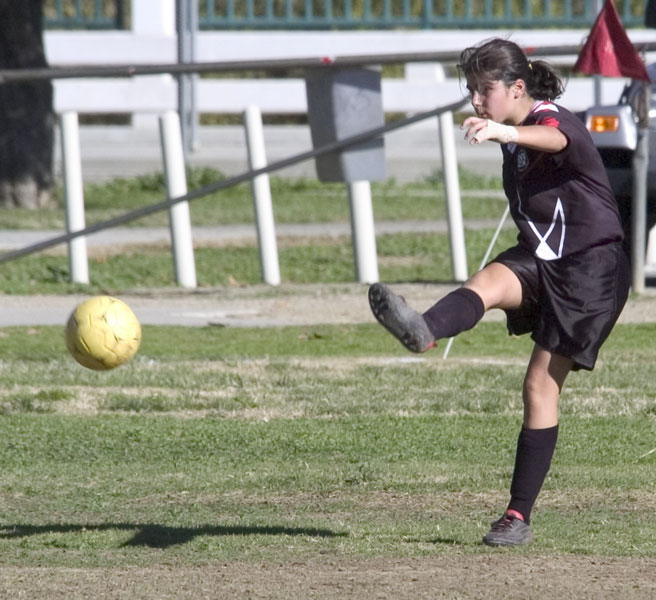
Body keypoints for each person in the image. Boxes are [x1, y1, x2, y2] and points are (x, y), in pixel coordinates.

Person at [368, 37, 630, 547]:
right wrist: (504, 133)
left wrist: (503, 130)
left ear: (516, 88)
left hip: (591, 269)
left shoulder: (552, 118)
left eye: (483, 89)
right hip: (542, 255)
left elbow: (557, 138)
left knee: (539, 388)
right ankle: (424, 330)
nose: (475, 100)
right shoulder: (513, 133)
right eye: (471, 90)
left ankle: (516, 516)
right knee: (486, 282)